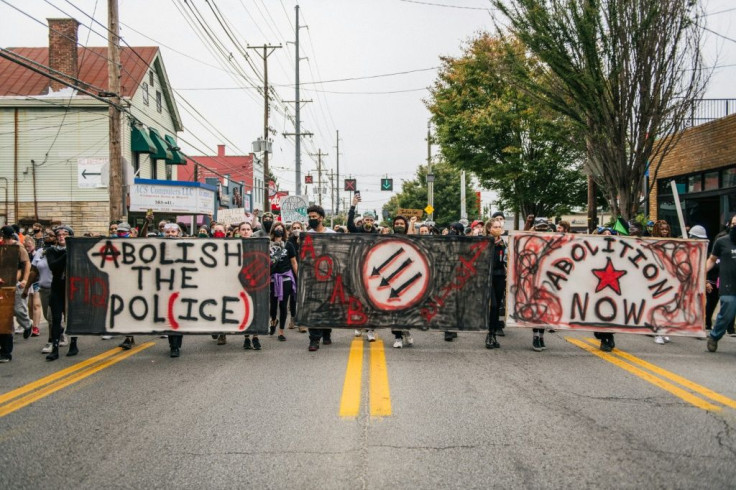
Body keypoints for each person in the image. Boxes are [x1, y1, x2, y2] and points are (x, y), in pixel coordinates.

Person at [45, 225, 79, 360]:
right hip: (57, 287)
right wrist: (66, 254)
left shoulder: (76, 251)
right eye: (58, 234)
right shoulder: (51, 251)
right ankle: (55, 348)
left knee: (71, 318)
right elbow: (53, 266)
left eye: (65, 234)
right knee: (56, 319)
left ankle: (74, 344)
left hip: (72, 287)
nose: (61, 236)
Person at [306, 205, 336, 352]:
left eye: (314, 217)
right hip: (312, 276)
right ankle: (314, 339)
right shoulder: (307, 235)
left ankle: (326, 331)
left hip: (329, 275)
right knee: (314, 306)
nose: (312, 219)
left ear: (321, 218)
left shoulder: (332, 234)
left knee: (327, 305)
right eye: (310, 217)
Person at [706, 215, 736, 353]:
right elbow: (712, 259)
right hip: (728, 285)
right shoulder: (722, 241)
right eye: (734, 224)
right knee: (727, 313)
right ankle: (714, 336)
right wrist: (702, 273)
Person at [268, 221, 298, 342]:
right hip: (272, 279)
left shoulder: (288, 245)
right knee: (273, 305)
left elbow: (294, 262)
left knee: (283, 305)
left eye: (281, 228)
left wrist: (298, 276)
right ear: (273, 230)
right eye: (276, 228)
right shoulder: (267, 245)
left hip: (286, 278)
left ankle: (281, 331)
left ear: (284, 231)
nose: (278, 230)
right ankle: (274, 320)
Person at [238, 221, 262, 351]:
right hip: (239, 282)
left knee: (255, 309)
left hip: (255, 281)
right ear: (239, 231)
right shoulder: (233, 246)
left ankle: (255, 336)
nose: (246, 231)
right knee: (243, 310)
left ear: (251, 231)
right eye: (243, 229)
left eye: (248, 229)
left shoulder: (258, 245)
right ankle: (246, 337)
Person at [162, 223, 184, 357]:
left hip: (182, 286)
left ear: (178, 233)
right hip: (164, 286)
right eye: (167, 232)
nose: (170, 234)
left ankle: (176, 343)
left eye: (173, 232)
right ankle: (173, 344)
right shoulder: (158, 246)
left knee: (178, 315)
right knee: (169, 315)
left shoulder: (185, 246)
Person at [650, 219, 673, 344]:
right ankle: (657, 332)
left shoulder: (672, 243)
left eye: (666, 230)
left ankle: (664, 330)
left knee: (667, 306)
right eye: (662, 230)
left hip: (669, 278)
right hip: (655, 279)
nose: (664, 232)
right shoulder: (653, 243)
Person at [486, 219, 506, 349]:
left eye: (499, 227)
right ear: (489, 229)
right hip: (488, 277)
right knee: (492, 305)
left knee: (497, 305)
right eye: (495, 227)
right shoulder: (485, 242)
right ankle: (489, 334)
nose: (498, 229)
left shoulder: (504, 244)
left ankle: (493, 334)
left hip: (500, 277)